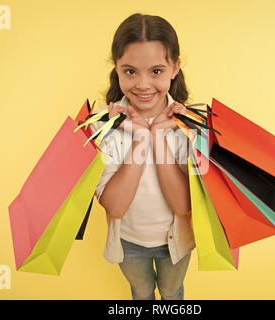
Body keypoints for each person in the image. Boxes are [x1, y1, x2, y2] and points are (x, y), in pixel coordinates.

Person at [90, 13, 196, 300]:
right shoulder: (100, 127)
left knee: (172, 292)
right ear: (117, 68)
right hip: (128, 242)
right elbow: (114, 206)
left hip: (176, 242)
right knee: (141, 291)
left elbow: (185, 205)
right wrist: (140, 139)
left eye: (157, 71)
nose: (143, 84)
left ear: (175, 67)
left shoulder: (194, 126)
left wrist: (159, 139)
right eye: (131, 71)